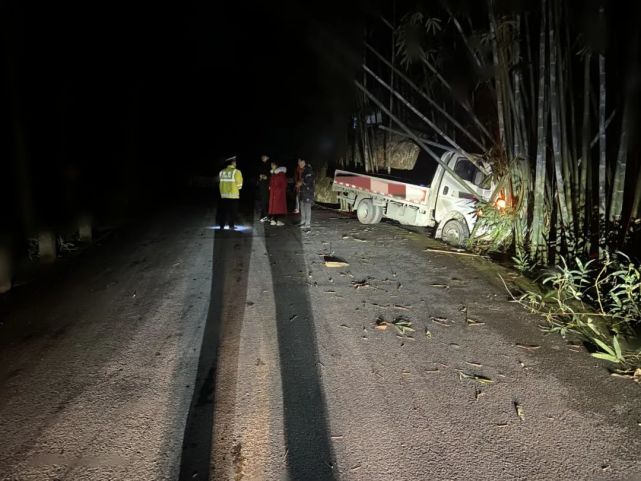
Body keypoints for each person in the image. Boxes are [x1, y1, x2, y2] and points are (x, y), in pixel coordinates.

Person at [218, 156, 243, 230]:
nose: (236, 163)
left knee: (223, 211)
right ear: (232, 162)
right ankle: (231, 225)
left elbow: (220, 183)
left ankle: (221, 225)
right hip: (233, 196)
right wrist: (238, 188)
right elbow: (239, 185)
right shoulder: (236, 171)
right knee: (232, 212)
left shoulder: (222, 171)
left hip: (224, 195)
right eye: (235, 162)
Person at [297, 158, 314, 231]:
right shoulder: (303, 170)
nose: (299, 164)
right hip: (303, 192)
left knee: (307, 208)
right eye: (298, 163)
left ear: (304, 162)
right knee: (302, 208)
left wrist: (302, 183)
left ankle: (307, 224)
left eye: (300, 162)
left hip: (308, 192)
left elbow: (309, 181)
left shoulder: (309, 169)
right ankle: (303, 222)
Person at [257, 154, 271, 222]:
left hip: (266, 185)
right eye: (262, 157)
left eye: (264, 157)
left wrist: (267, 177)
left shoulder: (269, 165)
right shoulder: (261, 165)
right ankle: (264, 216)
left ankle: (265, 216)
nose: (262, 158)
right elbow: (258, 174)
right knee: (263, 200)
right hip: (262, 185)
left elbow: (270, 174)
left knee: (265, 200)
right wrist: (260, 176)